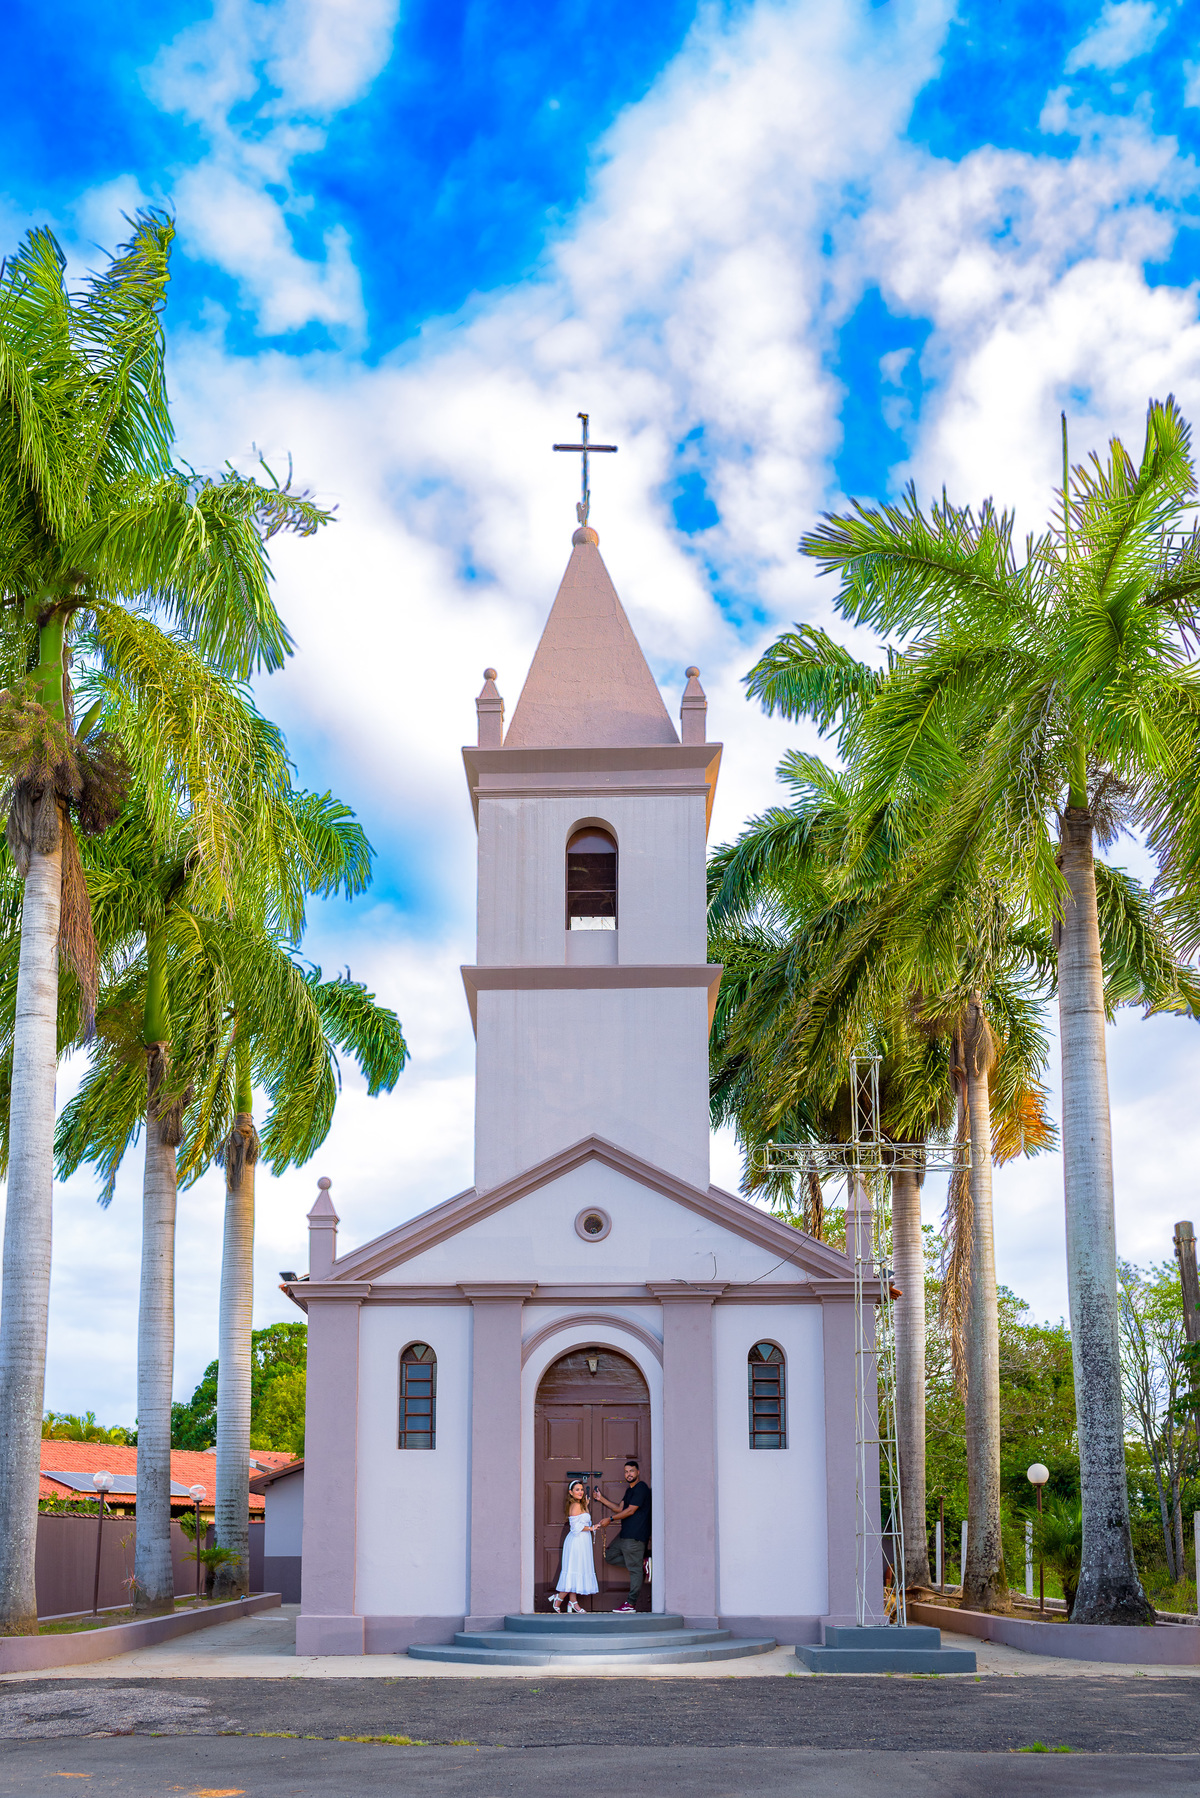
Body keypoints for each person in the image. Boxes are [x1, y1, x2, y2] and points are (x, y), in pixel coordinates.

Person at [592, 1459, 651, 1612]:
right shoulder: (630, 1490)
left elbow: (631, 1510)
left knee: (634, 1570)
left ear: (637, 1472)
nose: (628, 1474)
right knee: (610, 1556)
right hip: (625, 1534)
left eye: (631, 1471)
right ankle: (642, 1563)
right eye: (626, 1472)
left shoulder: (641, 1488)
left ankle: (630, 1604)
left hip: (635, 1535)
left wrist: (609, 1520)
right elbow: (620, 1508)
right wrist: (601, 1499)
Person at [549, 1479, 602, 1614]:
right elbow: (575, 1527)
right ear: (571, 1493)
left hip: (582, 1542)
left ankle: (573, 1601)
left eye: (581, 1489)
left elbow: (582, 1519)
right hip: (576, 1543)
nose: (580, 1492)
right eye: (577, 1490)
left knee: (577, 1569)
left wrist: (587, 1505)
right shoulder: (575, 1505)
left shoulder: (581, 1505)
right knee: (573, 1569)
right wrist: (592, 1528)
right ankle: (558, 1599)